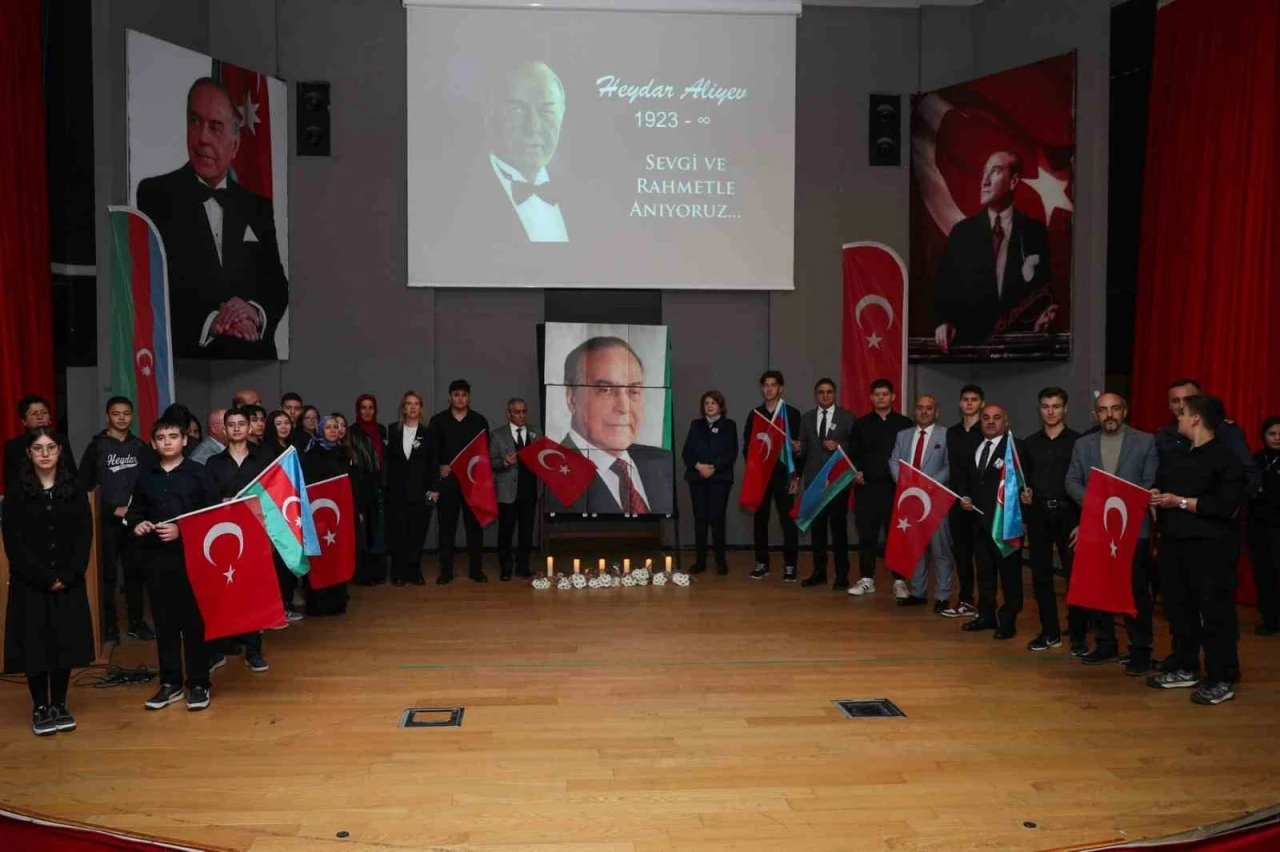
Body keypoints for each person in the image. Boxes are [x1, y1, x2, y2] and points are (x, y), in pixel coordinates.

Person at [135, 78, 288, 359]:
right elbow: (152, 288)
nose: (202, 137)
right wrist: (213, 323)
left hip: (254, 359)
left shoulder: (258, 207)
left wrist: (253, 312)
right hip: (191, 359)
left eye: (215, 127)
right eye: (195, 121)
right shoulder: (155, 195)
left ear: (236, 145)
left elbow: (276, 285)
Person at [1147, 395, 1246, 706]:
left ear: (1196, 418)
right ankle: (1185, 666)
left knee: (1215, 614)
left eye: (1182, 412)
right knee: (1179, 609)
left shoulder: (1225, 459)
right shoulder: (1177, 454)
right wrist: (1156, 494)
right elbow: (1162, 485)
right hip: (1174, 545)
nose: (1177, 416)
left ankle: (1221, 677)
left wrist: (1179, 502)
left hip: (1211, 549)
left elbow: (1225, 506)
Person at [2, 429, 95, 737]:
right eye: (38, 448)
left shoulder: (75, 489)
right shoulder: (17, 491)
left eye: (51, 447)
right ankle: (40, 706)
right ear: (29, 452)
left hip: (68, 581)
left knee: (64, 642)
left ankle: (59, 703)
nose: (45, 453)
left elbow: (84, 535)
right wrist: (43, 577)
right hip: (31, 583)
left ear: (59, 451)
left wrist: (68, 575)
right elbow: (13, 542)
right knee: (35, 645)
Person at [128, 415, 219, 711]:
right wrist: (138, 523)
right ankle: (170, 682)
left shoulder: (199, 473)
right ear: (153, 443)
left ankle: (199, 682)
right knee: (164, 621)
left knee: (193, 622)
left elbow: (212, 516)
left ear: (184, 440)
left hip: (192, 557)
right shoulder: (145, 476)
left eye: (173, 437)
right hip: (156, 558)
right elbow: (135, 511)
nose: (167, 442)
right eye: (161, 438)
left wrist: (182, 530)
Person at [1064, 393, 1159, 674]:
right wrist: (1097, 505)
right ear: (1096, 414)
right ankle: (1106, 644)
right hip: (1096, 528)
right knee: (1099, 588)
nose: (1109, 414)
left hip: (1134, 530)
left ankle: (1140, 650)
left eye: (1115, 408)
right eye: (1103, 410)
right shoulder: (1083, 444)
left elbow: (1149, 481)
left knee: (1135, 591)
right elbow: (1071, 480)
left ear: (1124, 411)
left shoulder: (1146, 442)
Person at [931, 150, 1056, 352]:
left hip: (1018, 352)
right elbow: (943, 292)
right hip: (970, 351)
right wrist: (943, 322)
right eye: (984, 172)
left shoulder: (1035, 233)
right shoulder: (961, 234)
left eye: (995, 171)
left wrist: (1040, 321)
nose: (985, 181)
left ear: (1014, 182)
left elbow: (1043, 293)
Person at [550, 336, 674, 515]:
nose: (624, 407)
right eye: (605, 390)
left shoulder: (665, 462)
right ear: (571, 398)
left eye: (634, 391)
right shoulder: (551, 474)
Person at [453, 61, 572, 244]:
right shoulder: (456, 200)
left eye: (546, 111)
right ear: (489, 114)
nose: (533, 127)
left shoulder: (586, 195)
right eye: (517, 110)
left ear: (562, 115)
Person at [77, 396, 155, 644]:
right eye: (116, 413)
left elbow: (149, 483)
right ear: (107, 416)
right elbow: (84, 488)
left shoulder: (140, 447)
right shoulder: (97, 447)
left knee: (135, 574)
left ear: (132, 416)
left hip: (135, 522)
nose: (121, 418)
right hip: (106, 522)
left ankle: (136, 623)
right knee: (108, 576)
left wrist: (137, 513)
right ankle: (108, 626)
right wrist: (112, 510)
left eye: (126, 413)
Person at [954, 404, 1032, 639]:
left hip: (1006, 524)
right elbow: (965, 478)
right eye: (986, 417)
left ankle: (1008, 620)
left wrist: (1025, 512)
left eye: (996, 418)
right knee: (984, 573)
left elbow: (1026, 483)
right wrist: (964, 496)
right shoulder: (975, 447)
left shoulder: (1016, 448)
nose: (990, 421)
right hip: (978, 523)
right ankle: (986, 615)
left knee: (1010, 576)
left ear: (1006, 423)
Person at [203, 408, 271, 673]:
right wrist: (221, 502)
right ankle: (220, 648)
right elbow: (206, 499)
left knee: (253, 593)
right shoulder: (213, 463)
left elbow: (270, 497)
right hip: (224, 533)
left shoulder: (262, 461)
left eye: (242, 423)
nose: (236, 428)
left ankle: (254, 650)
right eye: (231, 424)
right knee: (223, 591)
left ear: (249, 427)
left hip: (254, 533)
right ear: (224, 429)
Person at [1022, 387, 1082, 653]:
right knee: (1041, 576)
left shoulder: (1079, 442)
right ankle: (1050, 633)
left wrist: (1084, 521)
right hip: (1038, 515)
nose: (1050, 411)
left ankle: (1078, 636)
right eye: (1045, 406)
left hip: (1070, 515)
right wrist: (1025, 494)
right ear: (1039, 409)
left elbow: (1086, 483)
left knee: (1074, 577)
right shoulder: (1030, 443)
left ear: (1065, 409)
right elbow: (1024, 480)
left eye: (1056, 406)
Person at [849, 379, 913, 598]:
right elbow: (853, 454)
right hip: (867, 489)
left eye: (885, 394)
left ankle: (899, 581)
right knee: (867, 536)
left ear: (893, 397)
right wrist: (856, 471)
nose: (881, 398)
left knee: (897, 537)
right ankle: (867, 579)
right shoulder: (861, 424)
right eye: (877, 394)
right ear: (871, 398)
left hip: (896, 490)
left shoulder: (905, 424)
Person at [888, 395, 952, 610]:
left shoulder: (945, 435)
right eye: (920, 408)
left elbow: (949, 466)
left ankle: (942, 596)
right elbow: (894, 460)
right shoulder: (903, 435)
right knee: (916, 548)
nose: (924, 412)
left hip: (935, 502)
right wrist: (903, 484)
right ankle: (918, 592)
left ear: (936, 412)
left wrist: (926, 485)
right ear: (914, 411)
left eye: (929, 408)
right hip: (909, 501)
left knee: (940, 551)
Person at [429, 380, 490, 584]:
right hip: (448, 483)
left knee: (475, 528)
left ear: (469, 397)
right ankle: (445, 572)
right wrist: (439, 466)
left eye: (464, 395)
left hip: (472, 483)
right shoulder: (438, 421)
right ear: (449, 397)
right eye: (456, 395)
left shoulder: (479, 421)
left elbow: (485, 453)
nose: (460, 398)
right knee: (447, 528)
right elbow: (432, 452)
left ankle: (476, 571)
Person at [798, 379, 855, 589]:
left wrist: (840, 445)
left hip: (837, 482)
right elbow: (804, 448)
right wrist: (798, 447)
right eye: (821, 392)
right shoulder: (807, 418)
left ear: (835, 394)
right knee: (818, 531)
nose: (825, 395)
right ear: (816, 395)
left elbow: (856, 444)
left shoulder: (847, 417)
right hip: (815, 482)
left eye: (829, 392)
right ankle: (819, 573)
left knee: (839, 530)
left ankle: (842, 576)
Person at [746, 371, 802, 581]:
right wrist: (753, 470)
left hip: (784, 476)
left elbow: (800, 448)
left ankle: (790, 566)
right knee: (760, 520)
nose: (769, 389)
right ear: (762, 389)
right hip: (761, 476)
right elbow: (747, 446)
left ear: (781, 388)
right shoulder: (755, 414)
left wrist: (796, 476)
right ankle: (761, 563)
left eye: (773, 385)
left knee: (788, 522)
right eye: (766, 385)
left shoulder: (792, 414)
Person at [301, 415, 357, 615]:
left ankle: (337, 602)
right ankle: (318, 605)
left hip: (340, 515)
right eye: (328, 427)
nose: (333, 430)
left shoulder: (343, 452)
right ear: (320, 431)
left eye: (336, 427)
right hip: (319, 513)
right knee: (320, 560)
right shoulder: (311, 455)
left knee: (337, 556)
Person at [681, 391, 738, 576]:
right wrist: (699, 466)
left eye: (713, 402)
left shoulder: (729, 425)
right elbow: (687, 452)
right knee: (700, 520)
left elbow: (731, 453)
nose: (710, 406)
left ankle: (720, 561)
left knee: (717, 519)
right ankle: (700, 561)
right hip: (697, 479)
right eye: (706, 403)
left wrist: (713, 468)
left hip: (719, 479)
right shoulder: (696, 425)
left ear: (721, 406)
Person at [942, 385, 984, 618]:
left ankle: (986, 605)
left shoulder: (987, 430)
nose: (969, 403)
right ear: (960, 403)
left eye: (974, 399)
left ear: (981, 403)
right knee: (961, 554)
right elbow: (953, 468)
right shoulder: (952, 432)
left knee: (983, 555)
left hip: (981, 504)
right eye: (965, 399)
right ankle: (966, 600)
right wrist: (961, 495)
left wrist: (975, 497)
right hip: (957, 501)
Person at [386, 391, 434, 586]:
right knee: (398, 534)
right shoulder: (392, 430)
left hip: (420, 492)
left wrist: (434, 488)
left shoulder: (428, 432)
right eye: (408, 403)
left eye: (416, 404)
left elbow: (433, 462)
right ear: (403, 408)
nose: (412, 407)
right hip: (397, 493)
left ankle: (414, 571)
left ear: (420, 408)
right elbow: (388, 462)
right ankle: (398, 572)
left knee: (417, 534)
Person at [489, 398, 539, 581]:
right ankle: (505, 567)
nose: (521, 415)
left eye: (524, 411)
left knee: (526, 532)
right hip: (507, 492)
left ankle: (523, 566)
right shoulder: (497, 435)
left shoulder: (536, 432)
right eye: (517, 412)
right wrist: (504, 462)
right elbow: (491, 462)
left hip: (529, 490)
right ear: (508, 414)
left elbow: (543, 458)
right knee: (506, 532)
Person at [4, 395, 76, 496]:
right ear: (24, 421)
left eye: (44, 412)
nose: (40, 417)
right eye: (34, 413)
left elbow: (71, 473)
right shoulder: (14, 446)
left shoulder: (61, 440)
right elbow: (11, 481)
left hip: (60, 493)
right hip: (25, 495)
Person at [1247, 417, 1280, 636]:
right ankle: (1270, 620)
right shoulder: (1257, 459)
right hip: (1258, 527)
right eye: (1272, 434)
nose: (1277, 438)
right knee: (1264, 575)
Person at [351, 395, 388, 585]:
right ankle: (363, 574)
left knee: (378, 531)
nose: (367, 411)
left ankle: (378, 573)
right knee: (363, 532)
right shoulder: (352, 431)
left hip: (379, 486)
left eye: (371, 407)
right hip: (361, 486)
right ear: (358, 410)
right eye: (363, 407)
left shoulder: (381, 430)